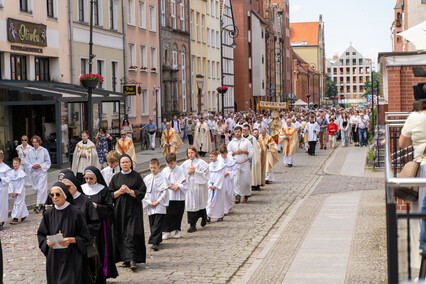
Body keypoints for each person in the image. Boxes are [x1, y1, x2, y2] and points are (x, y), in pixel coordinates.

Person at [37, 182, 91, 284]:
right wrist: (46, 242)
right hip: (54, 259)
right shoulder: (48, 214)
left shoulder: (76, 213)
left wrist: (72, 240)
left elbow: (85, 237)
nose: (55, 197)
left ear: (65, 195)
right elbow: (41, 235)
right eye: (52, 195)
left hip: (72, 257)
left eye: (58, 194)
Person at [399, 95, 426, 269]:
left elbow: (402, 143)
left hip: (423, 168)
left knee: (420, 215)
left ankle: (420, 261)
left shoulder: (415, 117)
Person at [62, 172, 103, 284]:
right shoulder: (62, 202)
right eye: (64, 187)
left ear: (75, 186)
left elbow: (95, 224)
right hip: (66, 247)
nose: (66, 189)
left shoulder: (85, 201)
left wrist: (79, 236)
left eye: (68, 187)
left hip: (83, 246)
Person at [109, 154, 146, 270]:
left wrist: (129, 191)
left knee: (132, 233)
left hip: (133, 210)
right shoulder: (115, 178)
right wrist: (120, 191)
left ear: (131, 163)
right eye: (123, 163)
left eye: (127, 162)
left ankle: (133, 259)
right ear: (119, 165)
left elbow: (142, 192)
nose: (125, 164)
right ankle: (125, 258)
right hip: (119, 210)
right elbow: (109, 195)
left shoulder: (136, 176)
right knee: (121, 233)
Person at [81, 167, 118, 280]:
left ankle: (102, 273)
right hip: (85, 224)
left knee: (100, 248)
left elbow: (110, 209)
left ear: (96, 178)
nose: (88, 181)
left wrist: (97, 207)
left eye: (91, 178)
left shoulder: (103, 190)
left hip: (100, 225)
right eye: (86, 178)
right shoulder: (81, 189)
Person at [180, 146, 209, 233]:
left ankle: (204, 217)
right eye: (189, 153)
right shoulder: (185, 164)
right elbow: (180, 175)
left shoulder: (201, 163)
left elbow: (206, 174)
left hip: (199, 186)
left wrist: (196, 172)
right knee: (191, 205)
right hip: (190, 187)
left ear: (195, 153)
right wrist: (188, 173)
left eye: (192, 153)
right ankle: (192, 225)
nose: (190, 155)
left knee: (200, 203)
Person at [142, 159, 169, 251]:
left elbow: (165, 192)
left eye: (154, 168)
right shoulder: (146, 178)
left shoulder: (163, 178)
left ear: (158, 167)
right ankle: (157, 239)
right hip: (150, 204)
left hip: (159, 204)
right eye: (151, 168)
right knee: (152, 223)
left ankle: (154, 242)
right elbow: (144, 192)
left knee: (158, 223)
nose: (153, 170)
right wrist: (149, 202)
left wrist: (158, 201)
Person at [162, 153, 187, 240]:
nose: (170, 165)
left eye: (172, 163)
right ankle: (167, 231)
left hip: (179, 196)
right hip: (169, 196)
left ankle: (177, 230)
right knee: (168, 214)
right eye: (169, 163)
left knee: (178, 213)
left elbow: (186, 183)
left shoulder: (181, 170)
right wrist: (168, 185)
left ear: (175, 161)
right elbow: (162, 182)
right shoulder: (165, 170)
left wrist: (178, 186)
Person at [227, 126, 253, 204]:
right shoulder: (232, 142)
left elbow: (251, 152)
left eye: (238, 132)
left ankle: (246, 193)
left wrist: (244, 151)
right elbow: (228, 152)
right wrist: (235, 152)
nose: (237, 133)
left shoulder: (246, 141)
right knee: (236, 180)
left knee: (246, 180)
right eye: (236, 132)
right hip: (235, 164)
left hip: (245, 163)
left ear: (241, 132)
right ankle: (237, 195)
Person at [27, 135, 51, 213]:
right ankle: (43, 204)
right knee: (37, 189)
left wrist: (40, 165)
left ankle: (37, 205)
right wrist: (32, 166)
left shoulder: (44, 150)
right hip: (34, 173)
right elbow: (27, 162)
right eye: (33, 142)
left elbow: (48, 162)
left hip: (41, 172)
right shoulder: (30, 151)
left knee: (41, 188)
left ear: (39, 142)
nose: (34, 144)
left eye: (36, 142)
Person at [6, 158, 28, 224]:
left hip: (20, 190)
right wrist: (11, 191)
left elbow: (21, 183)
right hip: (13, 189)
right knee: (18, 203)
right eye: (14, 163)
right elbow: (10, 182)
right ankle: (24, 214)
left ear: (19, 164)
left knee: (18, 203)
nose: (15, 165)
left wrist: (17, 192)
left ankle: (15, 218)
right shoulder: (11, 173)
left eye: (16, 163)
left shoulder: (21, 173)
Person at [206, 149, 226, 222]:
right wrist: (209, 184)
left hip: (218, 186)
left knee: (219, 201)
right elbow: (207, 176)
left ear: (217, 156)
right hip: (211, 186)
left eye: (212, 156)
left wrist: (216, 185)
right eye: (210, 156)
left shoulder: (221, 165)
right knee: (210, 201)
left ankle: (220, 215)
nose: (211, 158)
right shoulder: (209, 165)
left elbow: (221, 176)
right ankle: (208, 215)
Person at [243, 124, 262, 193]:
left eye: (245, 130)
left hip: (251, 159)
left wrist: (256, 159)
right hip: (242, 159)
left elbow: (255, 150)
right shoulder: (241, 138)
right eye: (243, 130)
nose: (244, 131)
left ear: (249, 130)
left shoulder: (252, 139)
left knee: (252, 172)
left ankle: (253, 185)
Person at [218, 144, 236, 215]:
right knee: (223, 194)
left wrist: (228, 173)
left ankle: (230, 206)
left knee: (229, 193)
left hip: (228, 179)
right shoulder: (218, 159)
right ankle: (224, 209)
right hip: (221, 179)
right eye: (222, 154)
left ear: (227, 153)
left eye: (225, 154)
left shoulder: (231, 159)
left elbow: (235, 170)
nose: (223, 156)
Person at [0, 151, 12, 230]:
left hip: (2, 188)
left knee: (1, 205)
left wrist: (1, 179)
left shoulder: (6, 168)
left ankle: (0, 221)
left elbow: (9, 179)